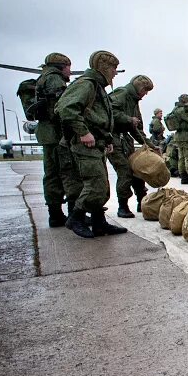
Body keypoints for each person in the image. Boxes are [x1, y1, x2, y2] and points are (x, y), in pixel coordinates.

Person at [55, 50, 128, 238]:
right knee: (95, 186)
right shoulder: (86, 85)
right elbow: (66, 108)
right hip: (85, 145)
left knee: (102, 186)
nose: (115, 73)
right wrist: (84, 132)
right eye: (113, 68)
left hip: (97, 144)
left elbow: (102, 117)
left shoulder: (97, 87)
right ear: (104, 67)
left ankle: (99, 222)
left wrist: (108, 140)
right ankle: (76, 217)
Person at [31, 52, 73, 226]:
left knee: (51, 174)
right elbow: (64, 107)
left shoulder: (43, 78)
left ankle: (55, 214)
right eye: (69, 67)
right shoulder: (55, 79)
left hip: (47, 134)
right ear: (61, 66)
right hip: (56, 134)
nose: (70, 72)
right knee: (66, 172)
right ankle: (70, 215)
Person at [108, 74, 155, 217]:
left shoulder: (133, 101)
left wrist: (150, 145)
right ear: (139, 87)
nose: (145, 94)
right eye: (145, 90)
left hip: (124, 140)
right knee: (125, 171)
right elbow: (110, 111)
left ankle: (142, 202)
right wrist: (128, 119)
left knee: (137, 170)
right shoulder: (122, 94)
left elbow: (137, 129)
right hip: (113, 139)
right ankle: (123, 206)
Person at [165, 94, 188, 184]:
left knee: (181, 157)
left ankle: (184, 177)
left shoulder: (175, 110)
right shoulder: (182, 110)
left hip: (178, 136)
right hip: (187, 136)